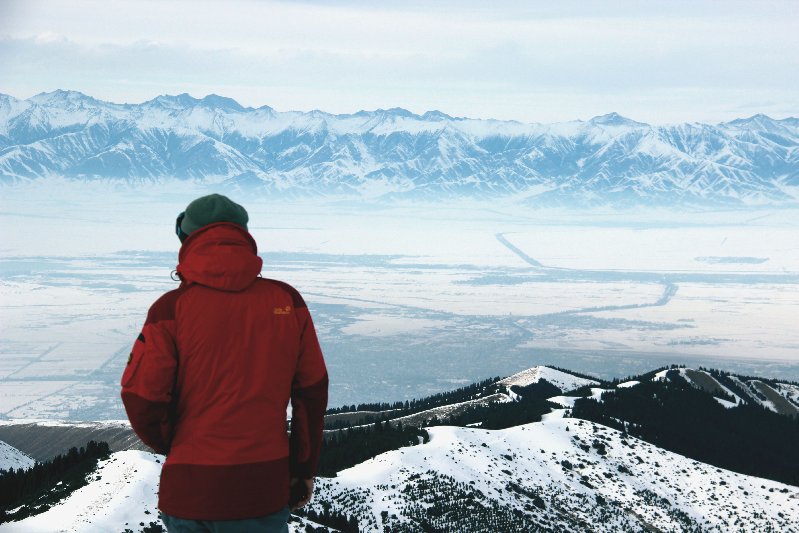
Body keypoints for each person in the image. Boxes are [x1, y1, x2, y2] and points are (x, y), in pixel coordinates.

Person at [121, 194, 328, 533]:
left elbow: (142, 398)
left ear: (187, 241)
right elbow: (312, 391)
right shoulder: (287, 302)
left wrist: (178, 443)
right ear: (243, 238)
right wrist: (303, 468)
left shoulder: (169, 310)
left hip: (189, 491)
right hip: (260, 490)